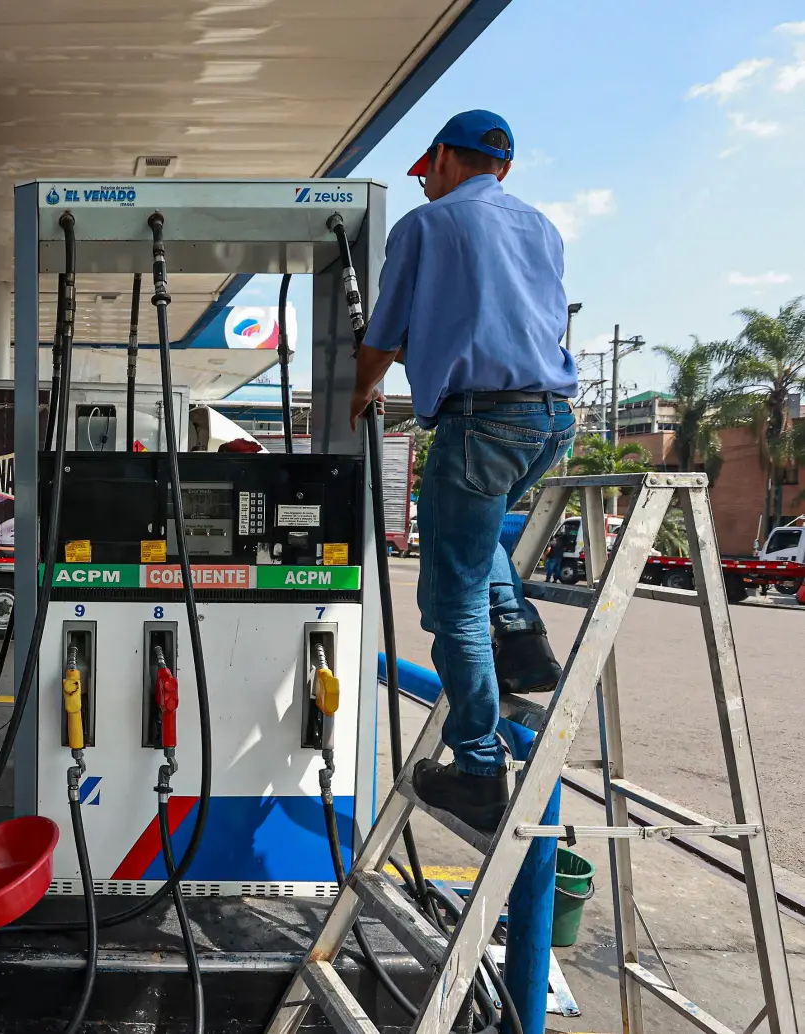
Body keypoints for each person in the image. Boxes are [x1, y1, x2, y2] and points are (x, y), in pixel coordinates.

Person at [349, 110, 577, 831]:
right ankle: (521, 639)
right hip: (552, 421)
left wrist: (361, 390)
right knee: (478, 545)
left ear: (444, 156)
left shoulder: (425, 226)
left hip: (480, 422)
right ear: (502, 167)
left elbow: (383, 332)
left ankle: (478, 767)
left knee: (452, 605)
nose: (426, 185)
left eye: (428, 172)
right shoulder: (543, 228)